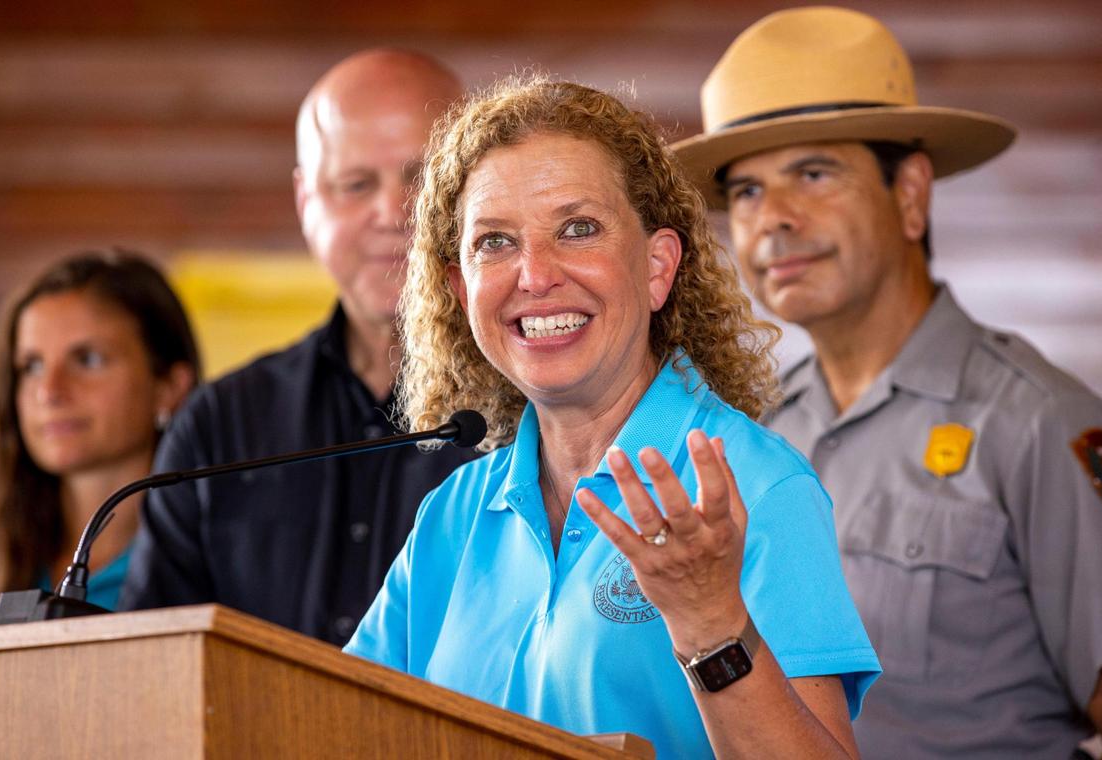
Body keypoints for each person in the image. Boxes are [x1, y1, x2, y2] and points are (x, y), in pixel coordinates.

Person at [342, 76, 880, 759]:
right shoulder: (453, 514)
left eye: (578, 229)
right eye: (495, 243)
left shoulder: (758, 485)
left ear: (658, 267)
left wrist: (714, 627)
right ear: (460, 289)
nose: (533, 275)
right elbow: (335, 723)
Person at [671, 7, 1102, 759]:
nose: (772, 220)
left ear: (911, 193)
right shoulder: (750, 435)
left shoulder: (1038, 423)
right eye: (746, 192)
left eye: (812, 174)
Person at [119, 50, 476, 645]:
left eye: (423, 177)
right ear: (306, 201)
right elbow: (153, 669)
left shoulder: (541, 400)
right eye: (355, 184)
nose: (394, 212)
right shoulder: (219, 426)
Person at [0, 250, 200, 611]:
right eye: (32, 366)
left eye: (87, 359)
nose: (50, 391)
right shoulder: (0, 555)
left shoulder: (212, 562)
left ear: (169, 387)